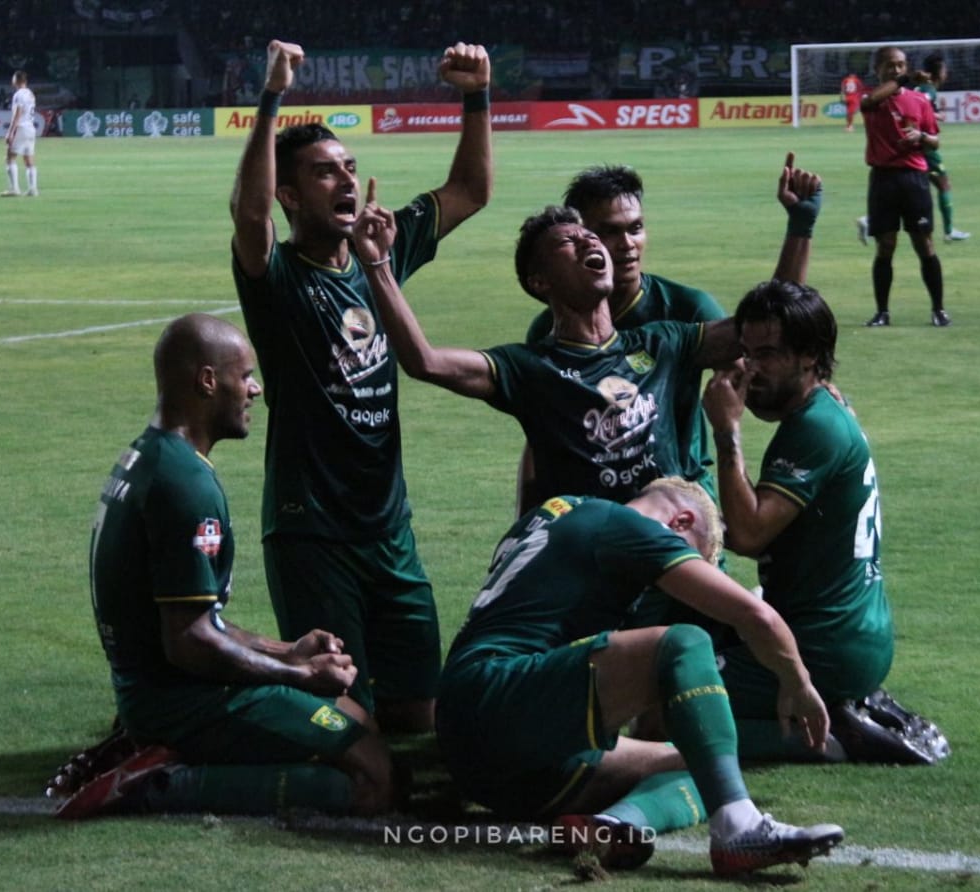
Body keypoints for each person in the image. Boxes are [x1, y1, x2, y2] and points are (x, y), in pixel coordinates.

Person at [230, 39, 493, 732]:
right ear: (290, 195)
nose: (346, 181)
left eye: (349, 167)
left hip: (389, 528)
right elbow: (249, 219)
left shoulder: (382, 250)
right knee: (345, 719)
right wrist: (271, 98)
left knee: (418, 714)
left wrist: (476, 97)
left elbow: (469, 192)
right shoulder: (277, 280)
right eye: (323, 174)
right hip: (312, 530)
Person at [53, 313, 393, 820]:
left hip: (159, 687)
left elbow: (195, 617)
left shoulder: (150, 456)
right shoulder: (185, 484)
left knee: (359, 720)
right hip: (180, 700)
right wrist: (297, 678)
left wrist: (290, 652)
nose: (255, 389)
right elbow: (188, 642)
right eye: (245, 376)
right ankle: (160, 782)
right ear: (208, 381)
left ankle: (161, 750)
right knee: (373, 781)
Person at [350, 156, 819, 515]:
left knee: (734, 625)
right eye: (593, 233)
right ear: (542, 282)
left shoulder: (670, 330)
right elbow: (537, 432)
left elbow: (769, 327)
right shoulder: (539, 353)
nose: (621, 244)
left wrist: (800, 227)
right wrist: (528, 526)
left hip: (678, 512)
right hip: (588, 535)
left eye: (634, 229)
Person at [435, 477, 844, 875]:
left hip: (482, 755)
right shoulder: (623, 525)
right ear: (680, 522)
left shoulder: (557, 512)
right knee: (684, 643)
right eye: (685, 554)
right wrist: (799, 683)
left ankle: (611, 826)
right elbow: (755, 616)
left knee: (702, 760)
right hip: (495, 693)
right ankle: (740, 828)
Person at [701, 280, 950, 764]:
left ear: (811, 355)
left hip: (825, 646)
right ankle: (845, 705)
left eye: (769, 354)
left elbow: (750, 534)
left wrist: (726, 431)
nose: (752, 370)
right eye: (747, 353)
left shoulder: (813, 428)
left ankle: (830, 735)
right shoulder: (827, 406)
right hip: (854, 634)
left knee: (673, 705)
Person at [517, 165, 728, 516]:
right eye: (610, 232)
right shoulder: (548, 330)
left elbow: (759, 353)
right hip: (593, 505)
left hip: (681, 496)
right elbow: (542, 441)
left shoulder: (686, 308)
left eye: (636, 228)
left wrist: (816, 384)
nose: (628, 244)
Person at [856, 46, 949, 328]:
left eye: (900, 65)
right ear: (877, 69)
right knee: (885, 246)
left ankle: (939, 309)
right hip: (883, 178)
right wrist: (905, 80)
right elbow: (872, 98)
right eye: (890, 65)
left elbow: (935, 140)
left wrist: (921, 136)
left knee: (924, 244)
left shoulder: (919, 101)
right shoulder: (871, 100)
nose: (896, 69)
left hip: (913, 180)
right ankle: (882, 312)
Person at [916, 54, 970, 242]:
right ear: (938, 72)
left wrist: (935, 115)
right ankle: (948, 232)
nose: (946, 73)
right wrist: (932, 115)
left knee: (909, 190)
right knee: (944, 184)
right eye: (945, 69)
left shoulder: (922, 87)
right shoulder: (928, 89)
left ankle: (870, 220)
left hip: (915, 145)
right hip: (925, 146)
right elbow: (919, 103)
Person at [1, 70, 38, 197]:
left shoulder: (18, 95)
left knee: (9, 158)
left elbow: (17, 114)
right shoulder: (30, 94)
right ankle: (33, 189)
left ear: (16, 80)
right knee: (29, 160)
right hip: (30, 129)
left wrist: (10, 132)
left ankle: (14, 189)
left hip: (21, 128)